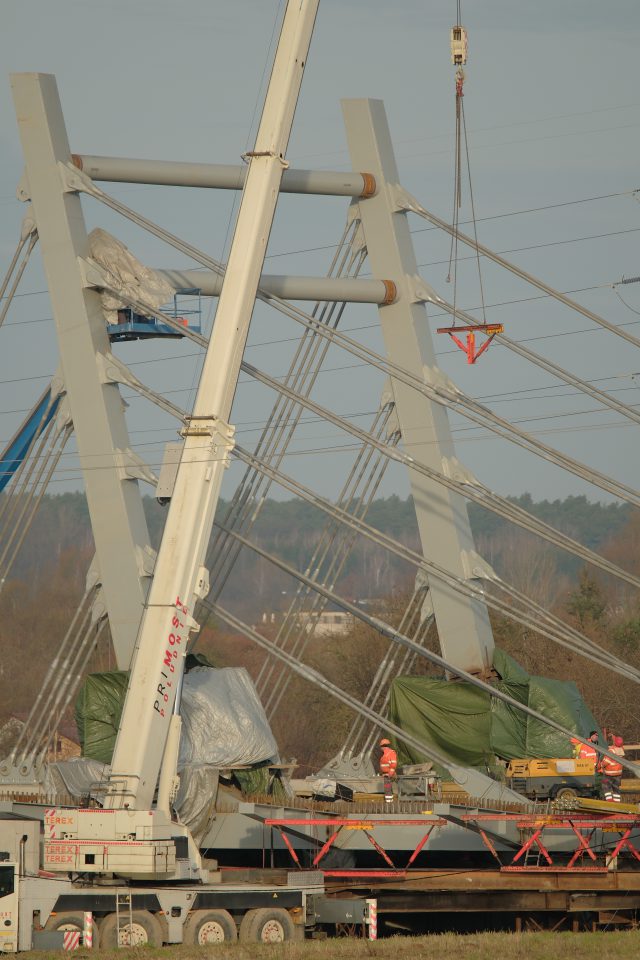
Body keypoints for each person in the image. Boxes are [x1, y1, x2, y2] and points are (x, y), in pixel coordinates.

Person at [600, 735, 625, 802]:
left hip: (609, 773)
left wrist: (601, 765)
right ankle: (617, 802)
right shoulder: (621, 749)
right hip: (618, 773)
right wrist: (613, 737)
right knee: (616, 788)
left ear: (614, 742)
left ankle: (609, 801)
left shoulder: (611, 750)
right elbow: (618, 742)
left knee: (605, 787)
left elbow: (606, 761)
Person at [377, 738, 398, 804]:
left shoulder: (390, 753)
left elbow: (393, 764)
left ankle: (388, 804)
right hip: (386, 774)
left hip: (388, 775)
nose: (380, 748)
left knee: (387, 789)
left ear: (383, 746)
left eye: (381, 747)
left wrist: (390, 774)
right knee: (388, 789)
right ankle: (390, 802)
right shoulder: (386, 753)